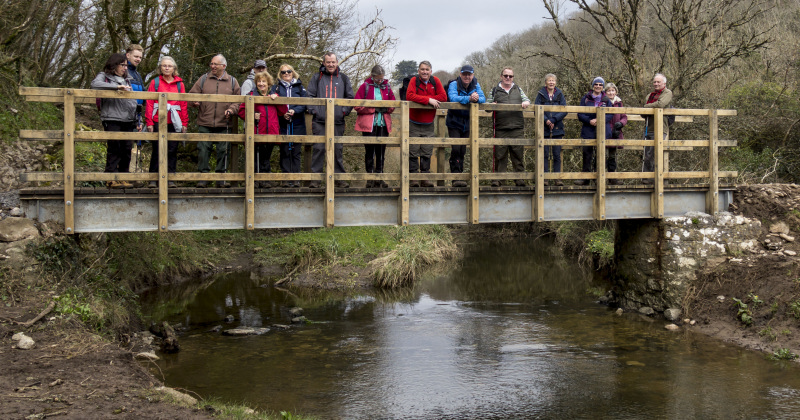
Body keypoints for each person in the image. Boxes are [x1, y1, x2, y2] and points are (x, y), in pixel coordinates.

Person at [189, 54, 240, 188]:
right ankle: (203, 178)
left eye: (215, 64)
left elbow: (238, 101)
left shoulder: (233, 82)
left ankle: (221, 179)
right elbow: (192, 94)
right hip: (205, 121)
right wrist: (194, 101)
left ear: (223, 66)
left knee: (224, 150)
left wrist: (231, 110)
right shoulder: (203, 79)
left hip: (225, 122)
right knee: (203, 150)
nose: (212, 66)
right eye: (211, 64)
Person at [306, 52, 354, 188]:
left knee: (337, 149)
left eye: (333, 62)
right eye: (328, 62)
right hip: (320, 121)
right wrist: (314, 111)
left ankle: (339, 179)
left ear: (337, 62)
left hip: (338, 121)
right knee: (319, 148)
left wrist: (344, 112)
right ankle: (315, 180)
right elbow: (309, 96)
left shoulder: (344, 78)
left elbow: (350, 97)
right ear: (323, 63)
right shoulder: (317, 77)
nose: (331, 64)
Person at [91, 53, 138, 188]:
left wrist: (137, 119)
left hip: (128, 119)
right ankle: (111, 177)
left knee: (127, 148)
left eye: (126, 65)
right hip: (112, 117)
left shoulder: (127, 79)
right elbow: (94, 85)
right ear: (114, 64)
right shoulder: (104, 76)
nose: (125, 68)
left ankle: (123, 177)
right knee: (114, 147)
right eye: (122, 65)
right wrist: (116, 87)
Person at [144, 56, 188, 188]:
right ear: (160, 68)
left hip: (175, 121)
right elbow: (149, 102)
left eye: (169, 66)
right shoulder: (155, 82)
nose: (167, 68)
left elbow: (183, 104)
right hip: (158, 119)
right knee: (157, 149)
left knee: (172, 149)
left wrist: (184, 123)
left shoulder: (180, 84)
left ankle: (170, 178)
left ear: (174, 68)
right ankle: (153, 178)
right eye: (164, 66)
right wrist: (149, 122)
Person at [239, 72, 288, 188]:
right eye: (259, 81)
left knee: (266, 157)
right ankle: (254, 181)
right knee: (255, 157)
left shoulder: (273, 95)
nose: (261, 84)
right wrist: (251, 115)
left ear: (268, 83)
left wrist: (277, 99)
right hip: (256, 131)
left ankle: (266, 180)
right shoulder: (251, 94)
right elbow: (241, 111)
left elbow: (283, 110)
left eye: (264, 81)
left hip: (271, 131)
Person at [405, 60, 447, 187]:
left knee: (427, 150)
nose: (424, 72)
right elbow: (409, 96)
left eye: (427, 70)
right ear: (418, 71)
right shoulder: (414, 81)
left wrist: (431, 99)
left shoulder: (436, 81)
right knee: (412, 150)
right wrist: (428, 100)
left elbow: (443, 97)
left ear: (431, 71)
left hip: (429, 123)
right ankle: (413, 179)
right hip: (413, 122)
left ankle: (425, 178)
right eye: (422, 69)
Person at [487, 67, 530, 187]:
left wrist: (526, 103)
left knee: (518, 155)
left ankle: (520, 179)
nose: (508, 78)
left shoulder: (518, 89)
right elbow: (486, 106)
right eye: (505, 75)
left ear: (513, 78)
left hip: (517, 127)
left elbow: (527, 100)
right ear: (501, 76)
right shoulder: (495, 90)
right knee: (500, 155)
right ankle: (498, 180)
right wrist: (492, 105)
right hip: (501, 127)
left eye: (510, 76)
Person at [354, 65, 395, 188]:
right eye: (377, 79)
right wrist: (373, 109)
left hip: (383, 123)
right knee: (369, 152)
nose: (379, 81)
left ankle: (380, 177)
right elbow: (356, 105)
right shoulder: (365, 86)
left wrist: (386, 108)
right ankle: (370, 178)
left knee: (381, 152)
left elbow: (393, 104)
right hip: (369, 125)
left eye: (381, 78)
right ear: (372, 76)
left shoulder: (387, 87)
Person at [445, 65, 485, 187]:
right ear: (461, 74)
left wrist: (476, 98)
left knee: (463, 150)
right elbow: (452, 98)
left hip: (467, 122)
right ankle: (455, 177)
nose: (467, 76)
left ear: (472, 75)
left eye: (469, 74)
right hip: (454, 120)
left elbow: (483, 98)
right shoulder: (454, 84)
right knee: (456, 148)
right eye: (465, 74)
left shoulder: (475, 84)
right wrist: (469, 98)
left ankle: (460, 177)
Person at [270, 64, 308, 188]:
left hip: (297, 123)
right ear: (280, 74)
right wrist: (283, 113)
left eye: (289, 71)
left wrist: (294, 111)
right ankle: (286, 179)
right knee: (285, 150)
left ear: (293, 72)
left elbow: (305, 103)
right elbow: (272, 102)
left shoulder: (300, 87)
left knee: (296, 151)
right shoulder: (275, 87)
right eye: (283, 72)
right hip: (283, 122)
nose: (286, 74)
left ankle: (296, 178)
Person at [576, 77, 612, 186]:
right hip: (588, 129)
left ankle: (598, 178)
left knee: (600, 154)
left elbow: (610, 114)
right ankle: (585, 178)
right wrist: (589, 120)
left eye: (600, 85)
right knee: (587, 154)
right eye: (596, 84)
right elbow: (580, 113)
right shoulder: (586, 98)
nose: (598, 86)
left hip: (602, 130)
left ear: (603, 87)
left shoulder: (606, 100)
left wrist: (600, 120)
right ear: (593, 86)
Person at [534, 73, 567, 186]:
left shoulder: (560, 94)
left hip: (557, 127)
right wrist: (546, 120)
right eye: (549, 80)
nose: (551, 82)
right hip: (544, 128)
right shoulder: (541, 94)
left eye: (553, 80)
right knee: (545, 154)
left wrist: (554, 119)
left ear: (556, 82)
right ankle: (545, 178)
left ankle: (557, 178)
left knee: (557, 155)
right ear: (545, 83)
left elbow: (564, 109)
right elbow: (536, 109)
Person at [642, 73, 673, 184]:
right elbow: (643, 111)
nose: (656, 84)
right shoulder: (649, 95)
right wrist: (645, 109)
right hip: (649, 127)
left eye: (658, 82)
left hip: (660, 128)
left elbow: (661, 104)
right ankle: (647, 179)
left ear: (664, 83)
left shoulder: (667, 93)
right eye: (654, 82)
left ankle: (658, 179)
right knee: (647, 154)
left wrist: (646, 107)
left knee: (657, 154)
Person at [605, 82, 627, 185]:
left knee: (612, 156)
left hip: (616, 132)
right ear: (606, 92)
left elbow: (624, 116)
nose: (611, 92)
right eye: (609, 90)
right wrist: (610, 128)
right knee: (601, 155)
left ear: (616, 91)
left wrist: (620, 124)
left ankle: (612, 178)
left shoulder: (619, 103)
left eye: (613, 90)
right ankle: (598, 178)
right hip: (605, 131)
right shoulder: (603, 101)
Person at [125, 44, 145, 131]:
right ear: (128, 55)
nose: (138, 59)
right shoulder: (122, 71)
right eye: (136, 56)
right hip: (123, 115)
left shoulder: (137, 74)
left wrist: (139, 120)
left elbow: (143, 96)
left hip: (135, 116)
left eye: (140, 57)